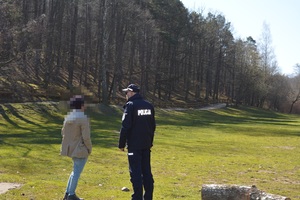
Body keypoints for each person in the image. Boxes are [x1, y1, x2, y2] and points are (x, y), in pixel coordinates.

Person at [118, 84, 156, 200]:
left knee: (135, 172)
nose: (125, 95)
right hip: (146, 144)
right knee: (146, 171)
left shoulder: (131, 106)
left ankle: (137, 197)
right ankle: (148, 197)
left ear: (131, 92)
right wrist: (150, 141)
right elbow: (152, 126)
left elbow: (125, 126)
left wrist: (121, 144)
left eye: (126, 93)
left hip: (134, 145)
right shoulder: (149, 105)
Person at [60, 95, 92, 200]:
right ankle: (71, 195)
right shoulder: (83, 118)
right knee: (76, 173)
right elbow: (86, 137)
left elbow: (63, 132)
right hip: (80, 149)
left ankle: (68, 193)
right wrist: (89, 148)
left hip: (70, 148)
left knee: (74, 172)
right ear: (82, 105)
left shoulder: (69, 116)